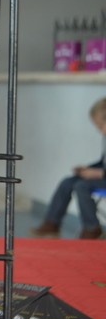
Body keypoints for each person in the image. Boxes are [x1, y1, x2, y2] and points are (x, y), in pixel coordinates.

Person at [31, 97, 106, 239]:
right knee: (68, 181)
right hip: (101, 175)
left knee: (82, 186)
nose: (100, 131)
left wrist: (98, 173)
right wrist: (88, 169)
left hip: (103, 177)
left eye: (101, 126)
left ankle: (92, 228)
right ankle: (52, 223)